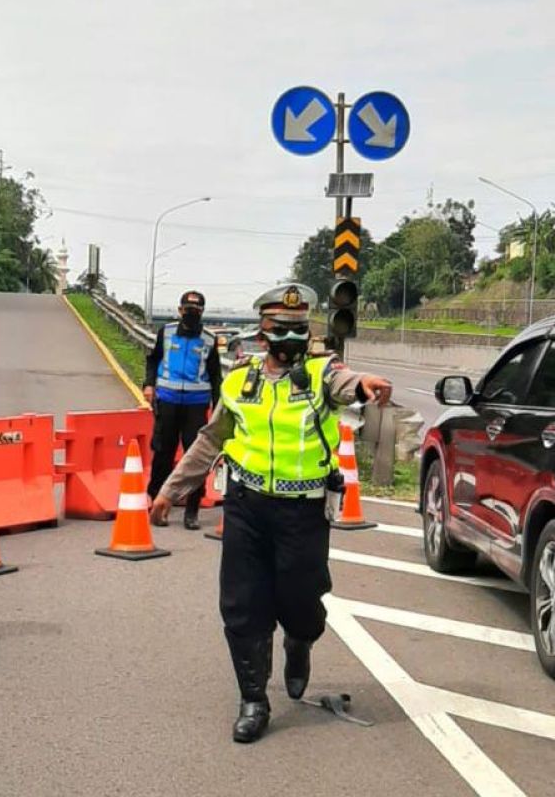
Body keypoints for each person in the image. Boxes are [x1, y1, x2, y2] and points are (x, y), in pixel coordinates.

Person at [150, 284, 392, 744]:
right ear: (263, 334)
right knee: (242, 606)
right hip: (246, 508)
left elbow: (347, 381)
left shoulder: (321, 373)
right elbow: (210, 439)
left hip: (303, 514)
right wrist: (170, 491)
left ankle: (299, 645)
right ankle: (254, 699)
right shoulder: (240, 381)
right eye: (282, 329)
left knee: (303, 604)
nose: (292, 338)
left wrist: (364, 384)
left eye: (299, 329)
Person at [142, 290, 221, 529]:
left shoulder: (209, 339)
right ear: (179, 310)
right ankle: (155, 501)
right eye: (187, 310)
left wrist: (218, 407)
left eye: (196, 311)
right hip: (167, 400)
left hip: (196, 405)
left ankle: (192, 510)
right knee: (163, 453)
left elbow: (216, 375)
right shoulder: (165, 333)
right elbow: (153, 359)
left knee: (194, 458)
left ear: (202, 313)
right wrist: (148, 384)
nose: (191, 315)